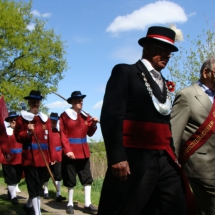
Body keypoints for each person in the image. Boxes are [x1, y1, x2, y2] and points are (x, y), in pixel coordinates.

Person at [97, 26, 196, 215]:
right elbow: (111, 117)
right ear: (148, 48)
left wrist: (173, 156)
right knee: (129, 209)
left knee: (176, 207)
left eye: (170, 52)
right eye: (163, 49)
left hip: (165, 158)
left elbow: (166, 124)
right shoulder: (125, 72)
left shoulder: (165, 82)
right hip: (135, 158)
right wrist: (117, 157)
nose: (167, 55)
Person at [170, 57, 215, 215]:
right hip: (201, 166)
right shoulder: (187, 95)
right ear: (206, 72)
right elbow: (174, 134)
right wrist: (172, 167)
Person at [14, 90, 57, 215]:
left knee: (38, 186)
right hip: (30, 158)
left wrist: (53, 156)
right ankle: (37, 213)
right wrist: (27, 132)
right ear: (29, 103)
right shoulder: (22, 118)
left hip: (44, 159)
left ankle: (28, 206)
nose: (35, 104)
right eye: (32, 101)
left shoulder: (45, 119)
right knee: (34, 187)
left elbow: (51, 140)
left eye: (37, 102)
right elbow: (17, 136)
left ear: (39, 103)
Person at [60, 91, 99, 214]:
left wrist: (93, 124)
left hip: (84, 152)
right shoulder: (64, 116)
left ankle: (87, 204)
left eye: (82, 100)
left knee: (87, 178)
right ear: (72, 102)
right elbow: (63, 135)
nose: (81, 102)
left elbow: (90, 133)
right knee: (71, 179)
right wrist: (68, 150)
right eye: (78, 100)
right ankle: (70, 203)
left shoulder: (85, 116)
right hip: (71, 153)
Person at [0, 112, 23, 205]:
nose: (13, 122)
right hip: (7, 159)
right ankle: (14, 197)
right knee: (11, 177)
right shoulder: (5, 132)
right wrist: (6, 153)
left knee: (17, 178)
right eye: (11, 120)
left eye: (15, 120)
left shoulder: (21, 131)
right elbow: (2, 144)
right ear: (9, 121)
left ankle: (11, 192)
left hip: (20, 158)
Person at [43, 112, 66, 202]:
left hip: (59, 157)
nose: (54, 122)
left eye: (55, 121)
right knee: (46, 175)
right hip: (49, 157)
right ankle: (45, 191)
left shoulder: (59, 132)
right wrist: (50, 157)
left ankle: (58, 193)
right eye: (52, 121)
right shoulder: (46, 132)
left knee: (58, 175)